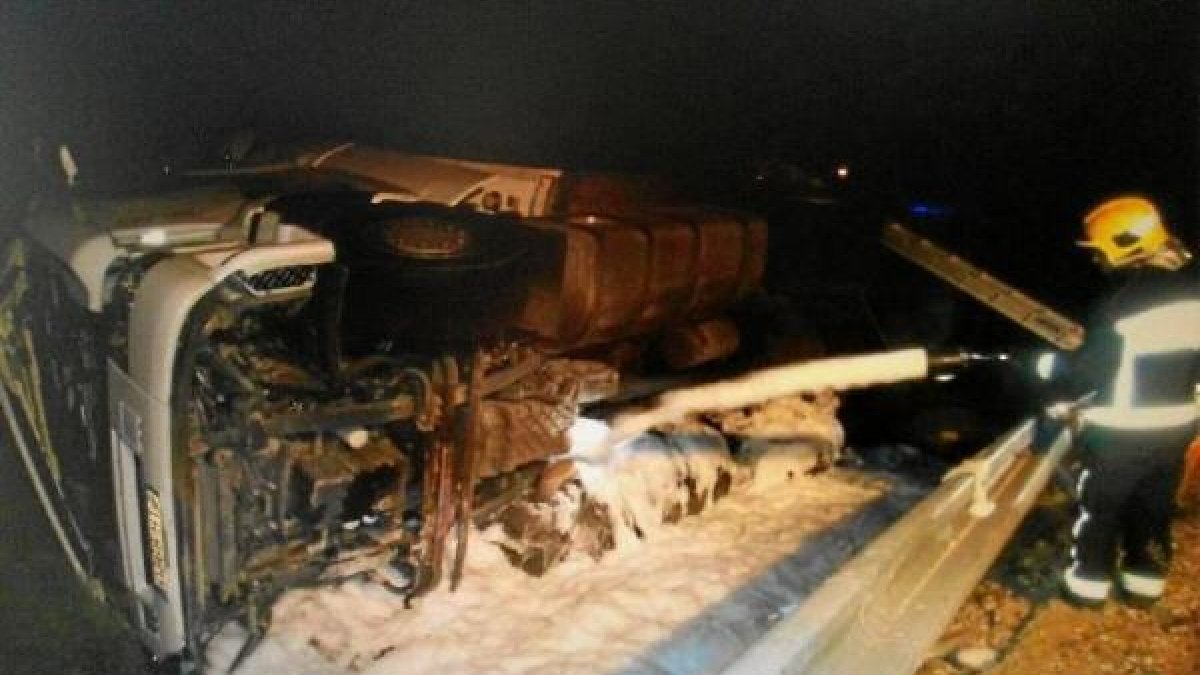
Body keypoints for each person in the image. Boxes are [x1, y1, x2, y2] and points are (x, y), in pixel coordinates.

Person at [1042, 196, 1200, 606]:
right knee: (1154, 504)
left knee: (1101, 508)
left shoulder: (1117, 303)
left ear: (1121, 246)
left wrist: (1052, 376)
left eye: (1099, 251)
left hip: (1120, 433)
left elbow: (1090, 374)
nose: (1097, 260)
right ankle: (1145, 581)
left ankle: (1087, 587)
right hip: (1178, 428)